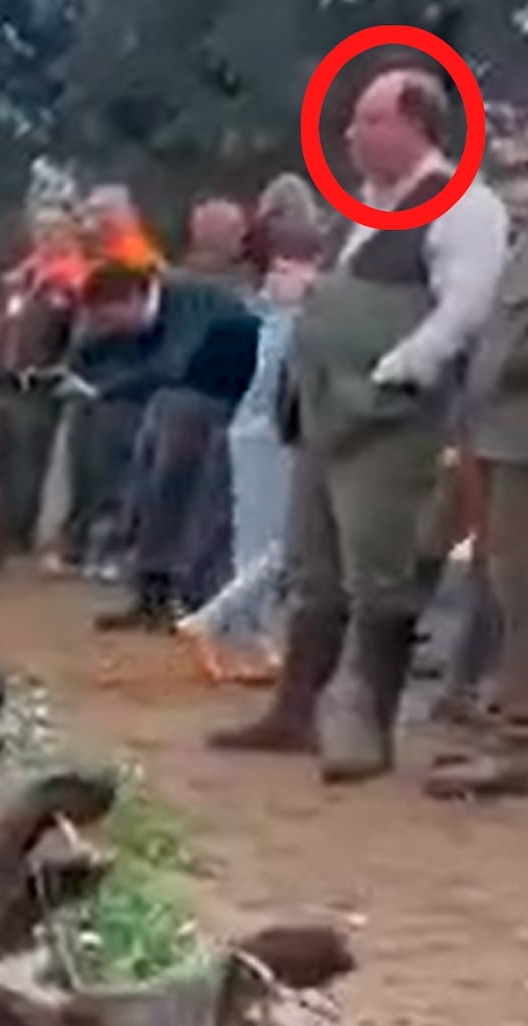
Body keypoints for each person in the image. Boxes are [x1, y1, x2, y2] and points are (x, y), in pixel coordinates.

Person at [212, 67, 512, 784]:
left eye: (369, 120)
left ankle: (366, 728)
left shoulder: (462, 206)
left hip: (393, 420)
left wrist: (401, 369)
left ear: (416, 125)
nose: (350, 134)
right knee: (315, 571)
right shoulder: (371, 205)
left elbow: (464, 309)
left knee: (382, 576)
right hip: (328, 412)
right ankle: (295, 713)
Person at [181, 181, 334, 682]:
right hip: (275, 434)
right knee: (285, 543)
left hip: (254, 430)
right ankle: (216, 623)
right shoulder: (292, 319)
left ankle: (249, 640)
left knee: (257, 543)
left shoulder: (270, 312)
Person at [72, 261, 262, 631]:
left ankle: (194, 600)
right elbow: (97, 347)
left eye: (111, 319)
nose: (110, 330)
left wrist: (105, 388)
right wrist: (77, 366)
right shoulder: (147, 307)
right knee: (151, 489)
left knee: (199, 501)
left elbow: (175, 365)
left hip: (228, 401)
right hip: (183, 400)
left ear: (133, 299)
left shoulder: (190, 304)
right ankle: (151, 592)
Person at [426, 180, 528, 798]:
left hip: (521, 438)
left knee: (521, 586)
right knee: (504, 580)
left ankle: (519, 742)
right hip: (498, 434)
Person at [0, 203, 89, 572]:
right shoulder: (19, 279)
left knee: (27, 468)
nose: (47, 237)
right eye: (41, 229)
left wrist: (63, 371)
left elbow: (80, 338)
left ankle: (18, 543)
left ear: (71, 235)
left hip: (35, 387)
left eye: (55, 230)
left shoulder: (75, 283)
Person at [58, 183, 167, 579]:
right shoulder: (93, 260)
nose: (95, 223)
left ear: (125, 216)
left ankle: (115, 550)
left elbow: (141, 326)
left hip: (120, 381)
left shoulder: (141, 260)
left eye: (103, 214)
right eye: (91, 214)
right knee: (83, 467)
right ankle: (81, 545)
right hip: (86, 379)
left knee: (117, 469)